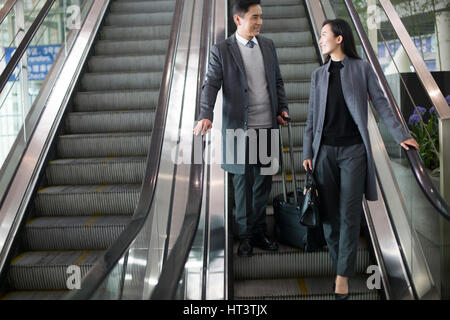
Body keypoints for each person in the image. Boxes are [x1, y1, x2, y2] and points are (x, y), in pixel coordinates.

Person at [302, 19, 419, 300]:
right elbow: (311, 118)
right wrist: (307, 151)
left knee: (350, 214)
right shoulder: (318, 75)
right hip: (323, 153)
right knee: (329, 217)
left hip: (354, 151)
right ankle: (341, 265)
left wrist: (401, 134)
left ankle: (342, 277)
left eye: (324, 35)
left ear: (339, 38)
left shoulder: (361, 68)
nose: (321, 40)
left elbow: (381, 103)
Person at [193, 0, 289, 257]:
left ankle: (259, 232)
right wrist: (205, 114)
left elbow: (277, 80)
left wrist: (282, 108)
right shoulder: (222, 50)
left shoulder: (268, 46)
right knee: (242, 185)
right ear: (238, 20)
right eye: (254, 17)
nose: (259, 22)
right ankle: (245, 237)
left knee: (262, 184)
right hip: (238, 128)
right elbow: (211, 83)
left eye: (260, 17)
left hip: (267, 126)